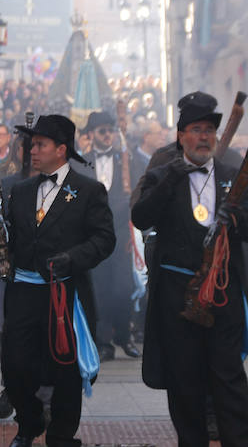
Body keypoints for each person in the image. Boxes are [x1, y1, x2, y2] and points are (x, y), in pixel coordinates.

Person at [132, 92, 248, 447]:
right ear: (181, 135)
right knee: (184, 382)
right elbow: (140, 216)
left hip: (222, 293)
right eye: (196, 129)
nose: (204, 136)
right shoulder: (162, 173)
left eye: (210, 130)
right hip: (177, 297)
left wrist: (233, 219)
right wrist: (169, 181)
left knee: (229, 380)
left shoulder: (232, 174)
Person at [0, 114, 115, 447]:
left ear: (61, 149)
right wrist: (0, 234)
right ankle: (29, 423)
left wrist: (72, 259)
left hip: (64, 293)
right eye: (32, 145)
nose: (32, 150)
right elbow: (14, 240)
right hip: (24, 292)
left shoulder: (89, 190)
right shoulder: (20, 190)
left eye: (40, 144)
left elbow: (104, 239)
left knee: (64, 369)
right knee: (15, 367)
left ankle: (61, 434)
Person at [75, 111, 140, 361]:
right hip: (93, 237)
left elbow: (139, 188)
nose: (107, 135)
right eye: (102, 131)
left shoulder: (126, 160)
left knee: (123, 289)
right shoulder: (79, 163)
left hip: (121, 234)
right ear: (91, 134)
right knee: (99, 289)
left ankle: (125, 335)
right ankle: (103, 342)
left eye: (110, 130)